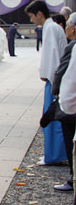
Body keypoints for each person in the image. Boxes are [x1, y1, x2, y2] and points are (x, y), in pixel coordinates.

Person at [25, 0, 67, 164]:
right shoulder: (53, 27)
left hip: (54, 79)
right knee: (55, 116)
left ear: (39, 14)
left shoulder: (50, 28)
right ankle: (56, 153)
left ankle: (54, 155)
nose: (31, 20)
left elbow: (53, 56)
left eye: (31, 16)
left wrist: (47, 75)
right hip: (56, 78)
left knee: (51, 117)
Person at [53, 12, 76, 192]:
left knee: (71, 141)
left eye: (68, 24)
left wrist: (58, 95)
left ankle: (72, 178)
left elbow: (64, 74)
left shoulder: (73, 47)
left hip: (72, 107)